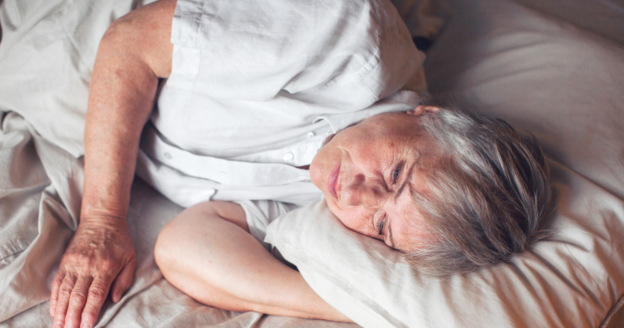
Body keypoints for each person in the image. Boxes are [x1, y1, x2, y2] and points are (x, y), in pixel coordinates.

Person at [49, 0, 554, 327]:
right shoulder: (348, 39)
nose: (355, 196)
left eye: (383, 227)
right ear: (429, 116)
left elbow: (183, 246)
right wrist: (101, 220)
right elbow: (129, 44)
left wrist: (360, 308)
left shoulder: (337, 214)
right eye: (397, 174)